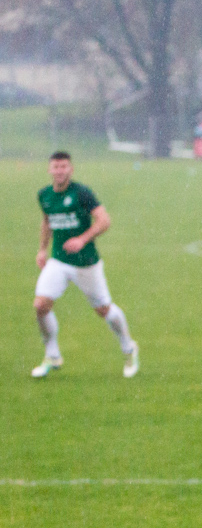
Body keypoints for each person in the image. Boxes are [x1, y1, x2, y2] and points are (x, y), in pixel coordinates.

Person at [31, 151, 138, 379]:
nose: (60, 171)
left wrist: (82, 239)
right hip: (58, 261)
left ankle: (129, 348)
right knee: (40, 305)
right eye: (56, 167)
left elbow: (104, 221)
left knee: (104, 311)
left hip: (86, 264)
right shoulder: (45, 195)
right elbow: (46, 221)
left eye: (64, 167)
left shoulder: (82, 193)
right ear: (50, 169)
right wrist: (42, 249)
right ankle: (52, 355)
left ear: (71, 169)